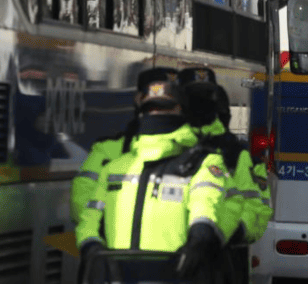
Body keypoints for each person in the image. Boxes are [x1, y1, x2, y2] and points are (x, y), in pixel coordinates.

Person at [76, 76, 234, 283]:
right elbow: (88, 221)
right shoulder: (114, 168)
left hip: (179, 276)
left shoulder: (204, 164)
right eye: (150, 109)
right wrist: (91, 247)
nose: (156, 114)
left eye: (165, 108)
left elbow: (205, 208)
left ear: (181, 112)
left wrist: (199, 240)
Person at [178, 67, 272, 281]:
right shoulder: (165, 145)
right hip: (169, 256)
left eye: (207, 96)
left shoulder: (235, 154)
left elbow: (257, 210)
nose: (201, 103)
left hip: (221, 261)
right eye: (194, 96)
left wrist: (225, 232)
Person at [70, 67, 178, 225]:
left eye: (170, 103)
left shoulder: (196, 151)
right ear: (139, 99)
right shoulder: (107, 150)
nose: (160, 113)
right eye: (155, 102)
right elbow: (82, 204)